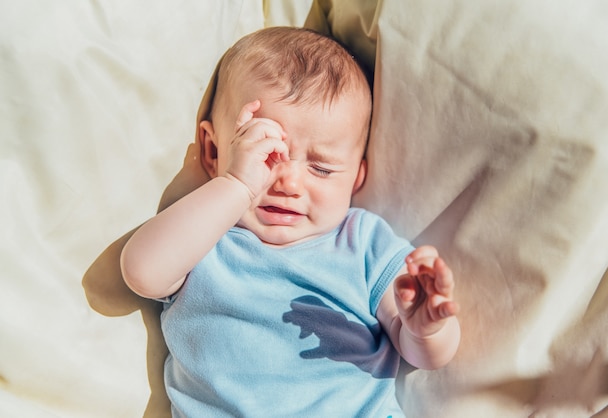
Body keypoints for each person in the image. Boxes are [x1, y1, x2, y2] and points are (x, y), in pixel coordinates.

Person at [121, 26, 460, 417]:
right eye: (266, 155)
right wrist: (236, 184)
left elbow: (424, 356)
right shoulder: (204, 235)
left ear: (357, 178)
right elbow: (142, 272)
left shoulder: (363, 242)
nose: (289, 183)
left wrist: (424, 329)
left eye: (321, 168)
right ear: (213, 150)